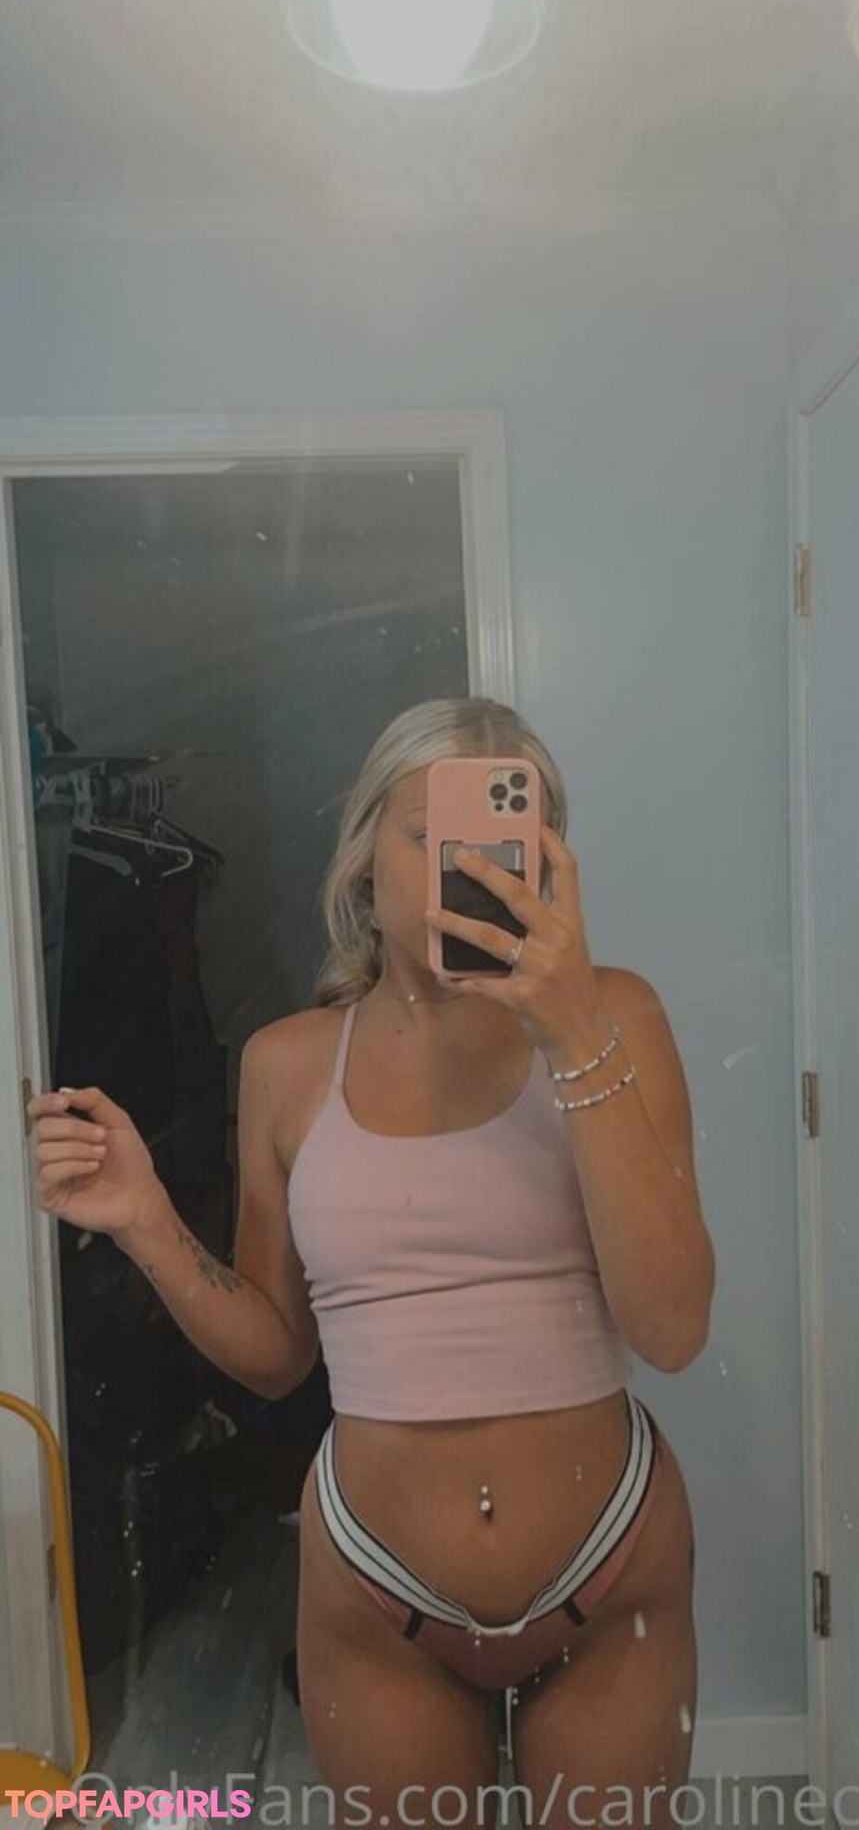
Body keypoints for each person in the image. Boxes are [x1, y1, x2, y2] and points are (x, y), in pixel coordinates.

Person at [29, 696, 716, 1830]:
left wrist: (571, 1030)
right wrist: (145, 1216)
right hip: (375, 1589)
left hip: (612, 1570)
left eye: (502, 841)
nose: (467, 870)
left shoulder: (619, 1018)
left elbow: (674, 1327)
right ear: (364, 859)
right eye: (431, 837)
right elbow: (274, 1357)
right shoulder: (286, 1064)